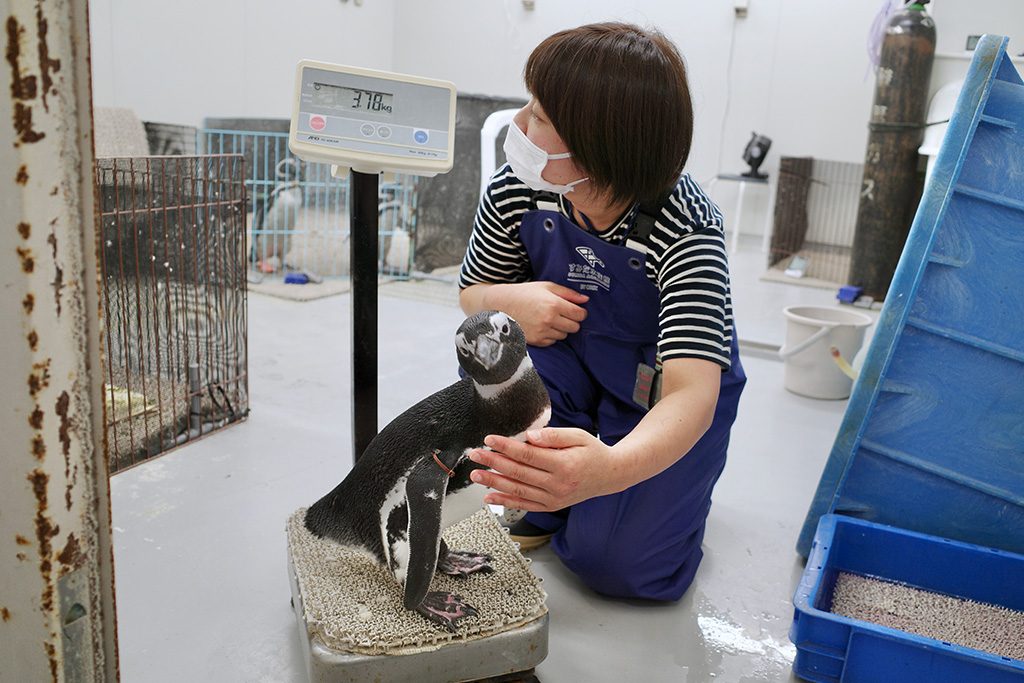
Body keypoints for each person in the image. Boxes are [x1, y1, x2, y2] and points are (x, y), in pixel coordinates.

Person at [459, 22, 746, 602]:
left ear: (598, 142)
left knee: (616, 568)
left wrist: (609, 471)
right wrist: (513, 299)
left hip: (661, 393)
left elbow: (692, 392)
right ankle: (550, 486)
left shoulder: (687, 226)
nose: (520, 126)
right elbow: (473, 294)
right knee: (483, 336)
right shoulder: (521, 189)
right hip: (570, 364)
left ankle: (627, 496)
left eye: (538, 117)